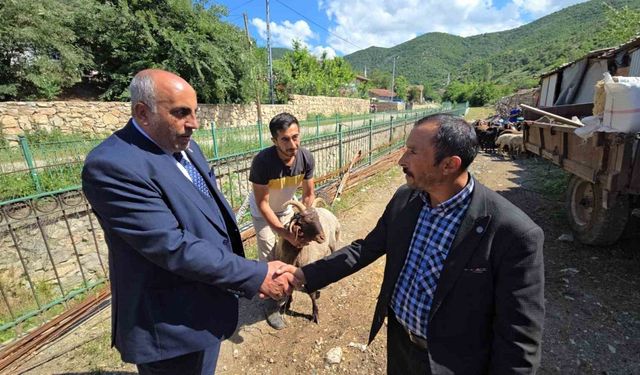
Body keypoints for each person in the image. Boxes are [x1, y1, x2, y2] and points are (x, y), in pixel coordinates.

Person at [279, 114, 545, 374]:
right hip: (400, 345)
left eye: (413, 152)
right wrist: (304, 274)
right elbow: (364, 249)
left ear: (449, 165)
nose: (401, 160)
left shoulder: (513, 234)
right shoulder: (406, 199)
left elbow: (519, 340)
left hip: (451, 363)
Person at [82, 69, 295, 375]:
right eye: (181, 113)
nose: (194, 123)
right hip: (170, 324)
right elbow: (171, 246)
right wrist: (254, 273)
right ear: (143, 112)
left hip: (207, 299)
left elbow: (209, 215)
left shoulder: (185, 145)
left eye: (194, 112)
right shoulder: (113, 166)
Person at [248, 112, 315, 329]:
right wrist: (282, 231)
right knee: (269, 256)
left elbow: (308, 194)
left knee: (290, 253)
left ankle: (287, 287)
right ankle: (271, 304)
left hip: (287, 208)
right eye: (285, 139)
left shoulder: (305, 158)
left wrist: (304, 219)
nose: (292, 144)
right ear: (274, 140)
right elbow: (263, 204)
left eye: (295, 137)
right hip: (263, 212)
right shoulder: (263, 162)